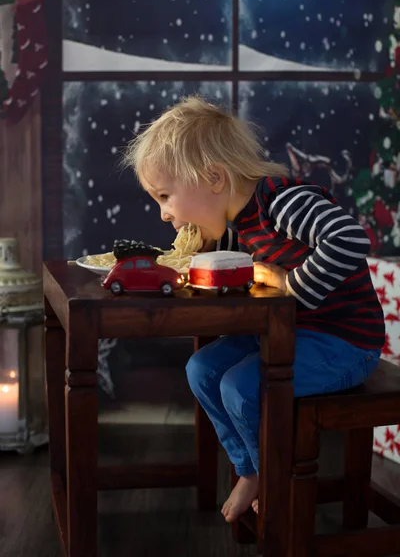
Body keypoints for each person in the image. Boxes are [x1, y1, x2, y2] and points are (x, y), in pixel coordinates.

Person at [124, 95, 385, 523]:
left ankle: (272, 478)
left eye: (166, 196)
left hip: (345, 342)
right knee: (202, 370)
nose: (164, 215)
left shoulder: (283, 203)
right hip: (290, 335)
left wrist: (290, 284)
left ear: (212, 177)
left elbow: (349, 240)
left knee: (241, 387)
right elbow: (241, 279)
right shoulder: (237, 226)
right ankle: (250, 468)